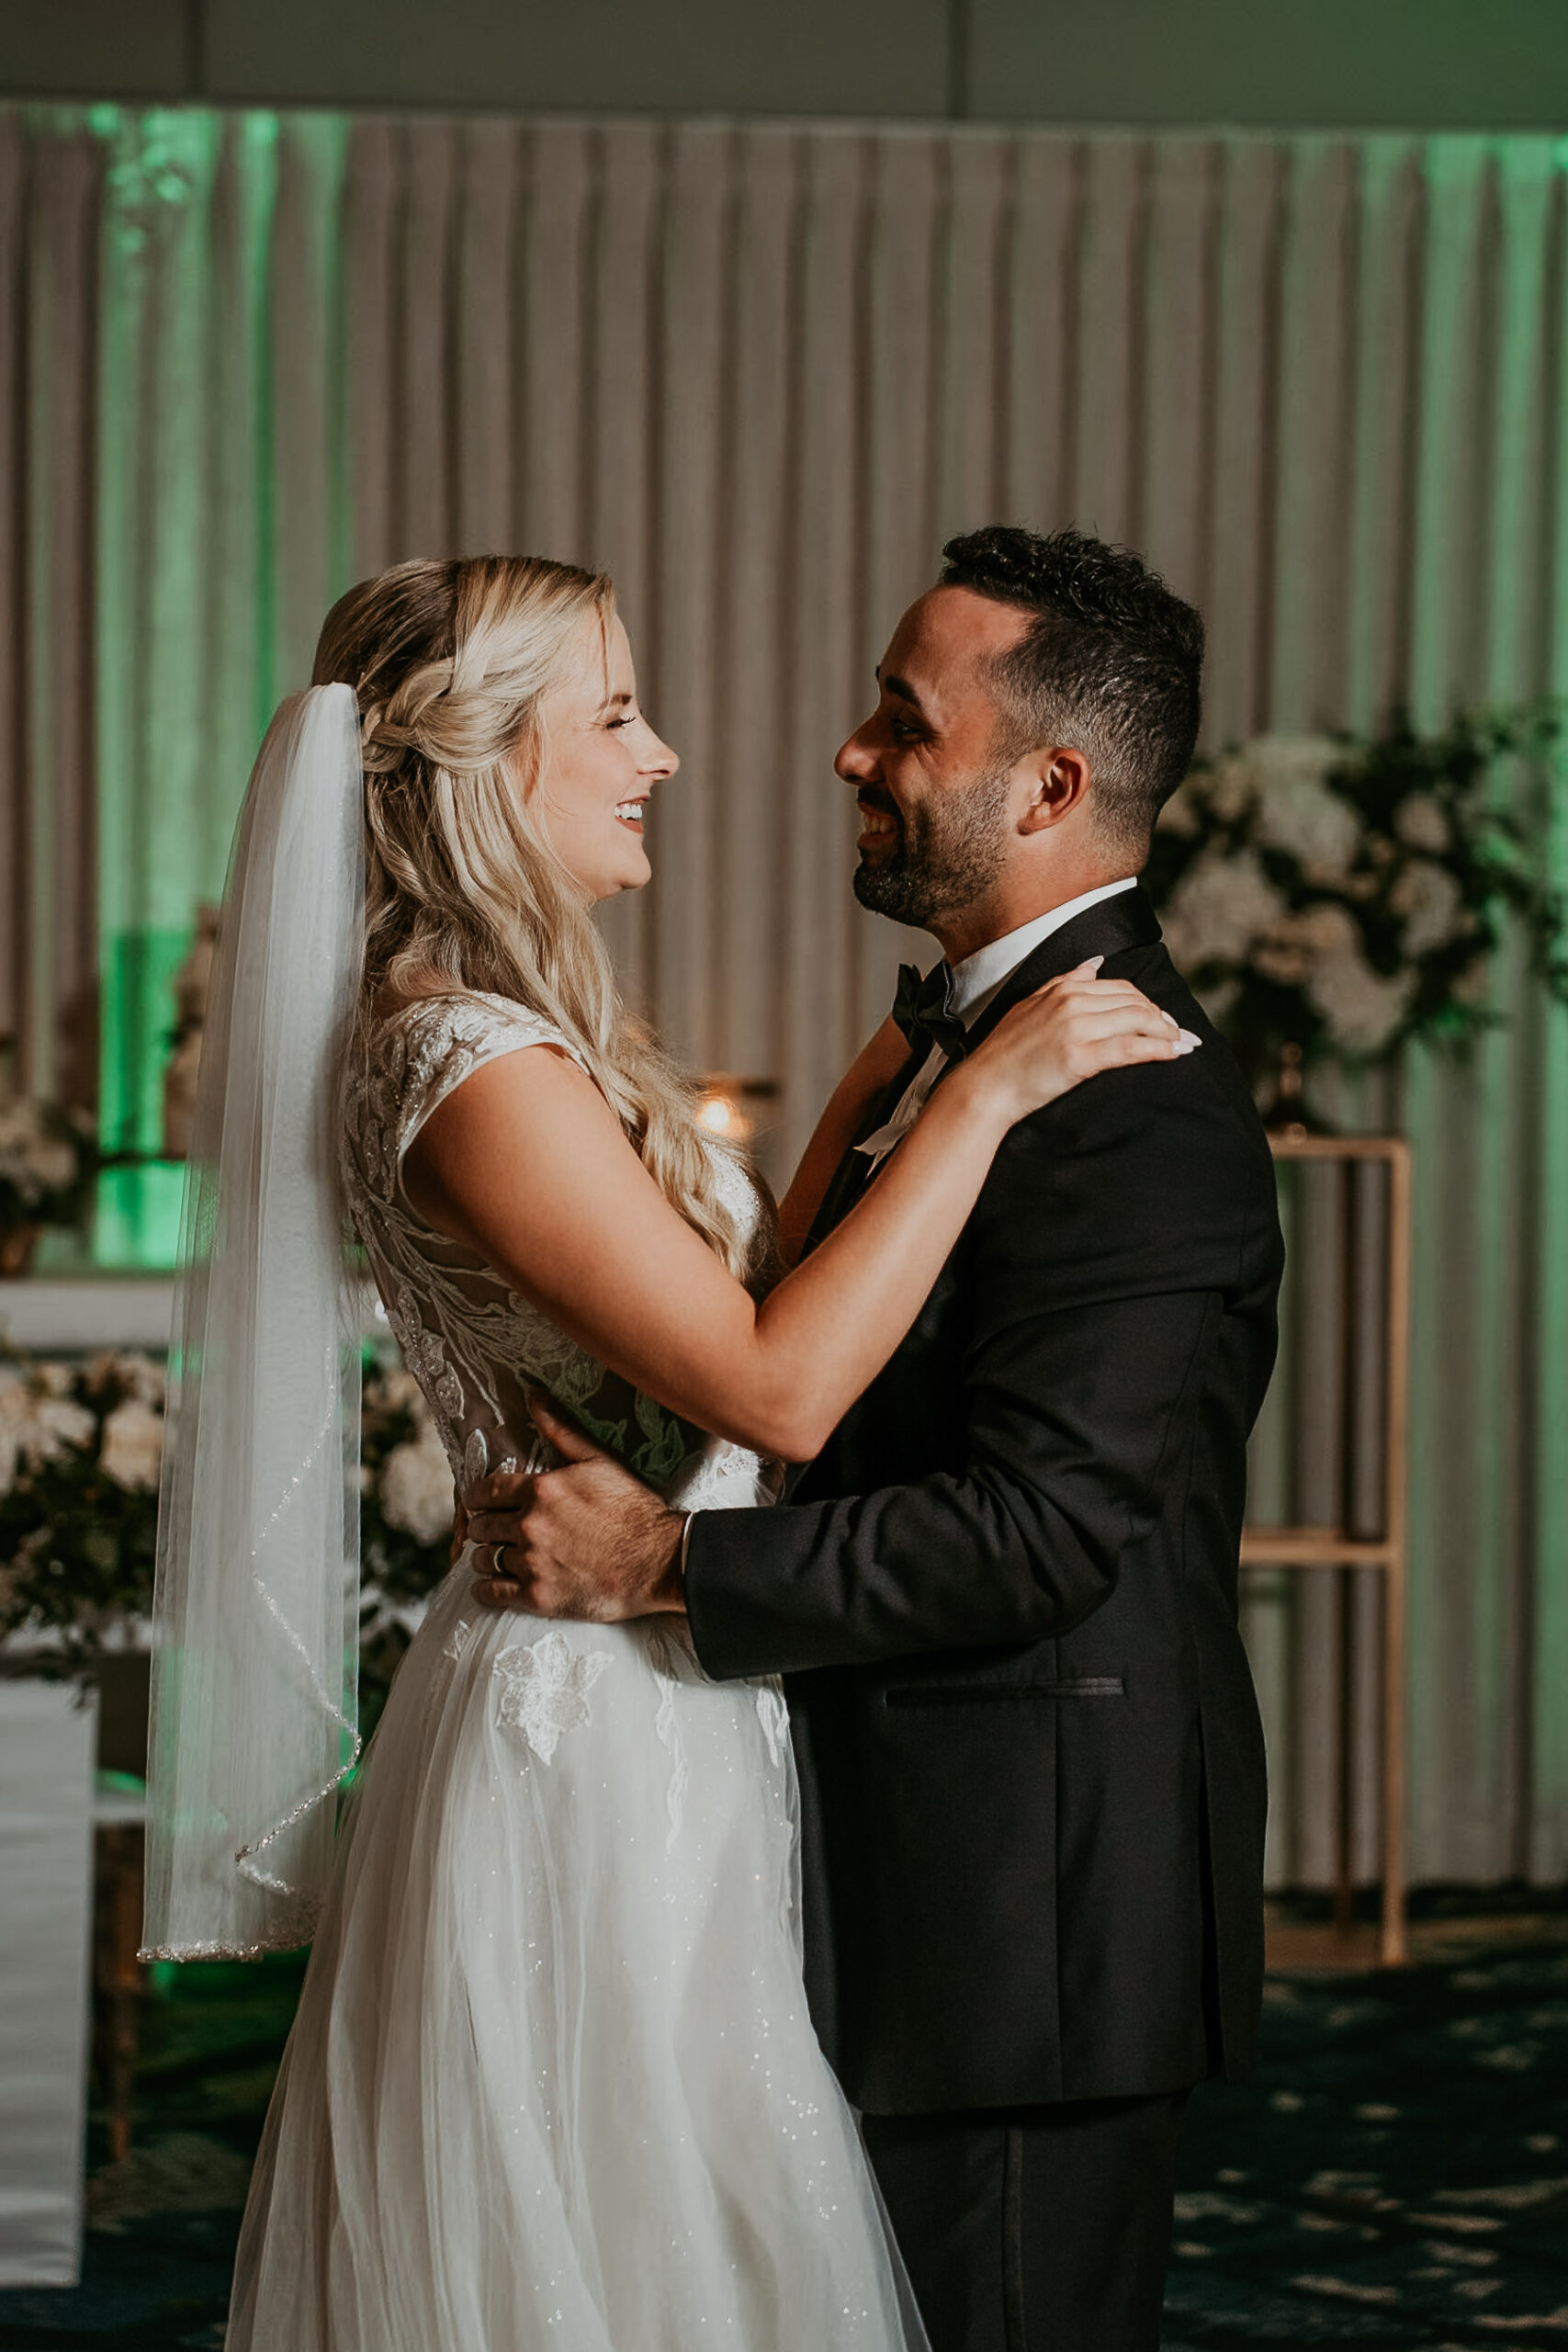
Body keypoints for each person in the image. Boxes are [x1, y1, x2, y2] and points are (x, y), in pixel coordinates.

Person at [142, 550, 1190, 2352]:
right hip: (581, 1720)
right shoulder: (462, 1057)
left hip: (661, 1687)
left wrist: (889, 1075)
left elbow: (714, 1321)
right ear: (482, 763)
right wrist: (996, 1085)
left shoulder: (496, 1031)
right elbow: (771, 1391)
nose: (666, 752)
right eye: (615, 711)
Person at [466, 526, 1287, 2352]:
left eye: (899, 721)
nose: (849, 750)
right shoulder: (954, 1047)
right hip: (893, 1864)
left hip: (1021, 1909)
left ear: (1047, 783)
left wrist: (667, 1563)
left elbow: (1037, 1533)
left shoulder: (1128, 1103)